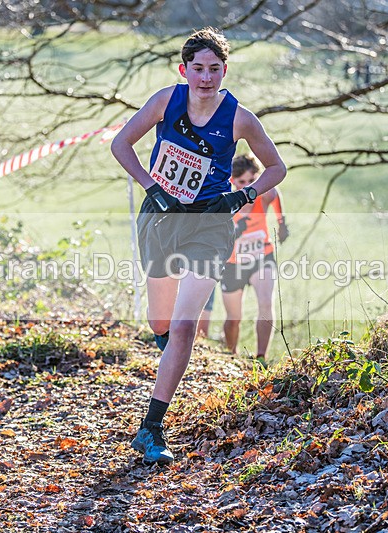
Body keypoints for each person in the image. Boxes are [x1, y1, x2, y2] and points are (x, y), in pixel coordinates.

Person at [110, 27, 286, 465]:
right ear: (184, 69)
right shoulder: (165, 102)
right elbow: (121, 144)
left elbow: (276, 168)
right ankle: (167, 344)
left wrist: (241, 196)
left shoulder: (240, 118)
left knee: (185, 327)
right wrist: (152, 186)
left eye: (214, 69)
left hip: (210, 224)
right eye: (198, 69)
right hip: (162, 219)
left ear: (225, 71)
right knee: (162, 323)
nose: (206, 78)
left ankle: (151, 428)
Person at [221, 154, 289, 367]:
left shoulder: (263, 195)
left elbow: (275, 193)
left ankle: (261, 358)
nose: (247, 187)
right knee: (234, 317)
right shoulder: (225, 199)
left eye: (252, 181)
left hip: (262, 257)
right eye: (241, 182)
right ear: (232, 181)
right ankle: (231, 356)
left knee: (266, 304)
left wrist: (282, 222)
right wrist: (236, 231)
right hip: (232, 265)